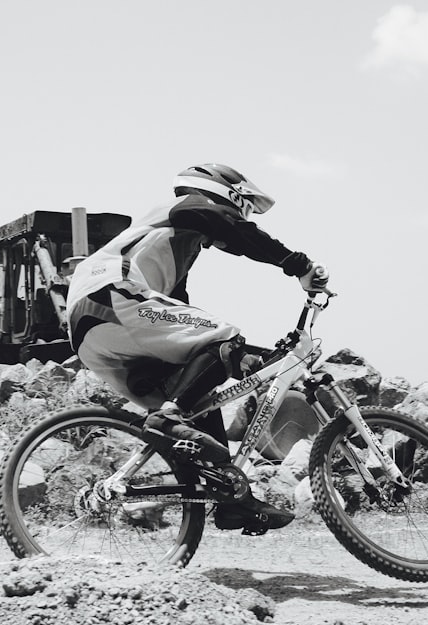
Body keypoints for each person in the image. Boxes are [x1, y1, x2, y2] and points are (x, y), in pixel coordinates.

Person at [66, 163, 330, 534]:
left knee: (199, 393)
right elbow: (232, 229)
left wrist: (248, 358)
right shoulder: (187, 207)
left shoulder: (171, 250)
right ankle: (169, 417)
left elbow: (187, 326)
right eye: (245, 208)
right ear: (226, 194)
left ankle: (233, 501)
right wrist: (297, 264)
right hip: (111, 297)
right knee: (223, 337)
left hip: (93, 332)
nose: (243, 217)